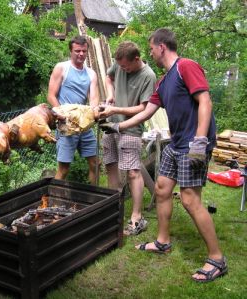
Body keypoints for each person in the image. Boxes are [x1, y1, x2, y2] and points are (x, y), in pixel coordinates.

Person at [99, 28, 227, 282]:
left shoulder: (185, 67)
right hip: (176, 143)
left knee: (190, 200)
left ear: (161, 47)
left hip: (193, 144)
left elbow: (205, 101)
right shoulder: (164, 80)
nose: (149, 53)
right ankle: (162, 241)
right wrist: (118, 125)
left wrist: (200, 141)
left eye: (151, 48)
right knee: (161, 189)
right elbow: (147, 112)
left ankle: (217, 259)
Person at [100, 41, 156, 236]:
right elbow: (108, 77)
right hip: (110, 125)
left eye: (125, 66)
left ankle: (137, 218)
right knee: (110, 165)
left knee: (133, 172)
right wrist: (110, 96)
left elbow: (144, 108)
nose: (122, 69)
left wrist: (116, 109)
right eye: (120, 66)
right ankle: (113, 210)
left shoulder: (148, 76)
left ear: (137, 59)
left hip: (131, 128)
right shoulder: (120, 63)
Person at [47, 36, 99, 184]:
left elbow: (94, 98)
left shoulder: (91, 74)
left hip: (84, 125)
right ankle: (54, 200)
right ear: (71, 50)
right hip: (66, 124)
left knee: (95, 163)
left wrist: (94, 112)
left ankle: (93, 197)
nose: (81, 54)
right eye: (77, 51)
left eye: (84, 51)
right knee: (64, 169)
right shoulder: (62, 68)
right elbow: (51, 95)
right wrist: (60, 114)